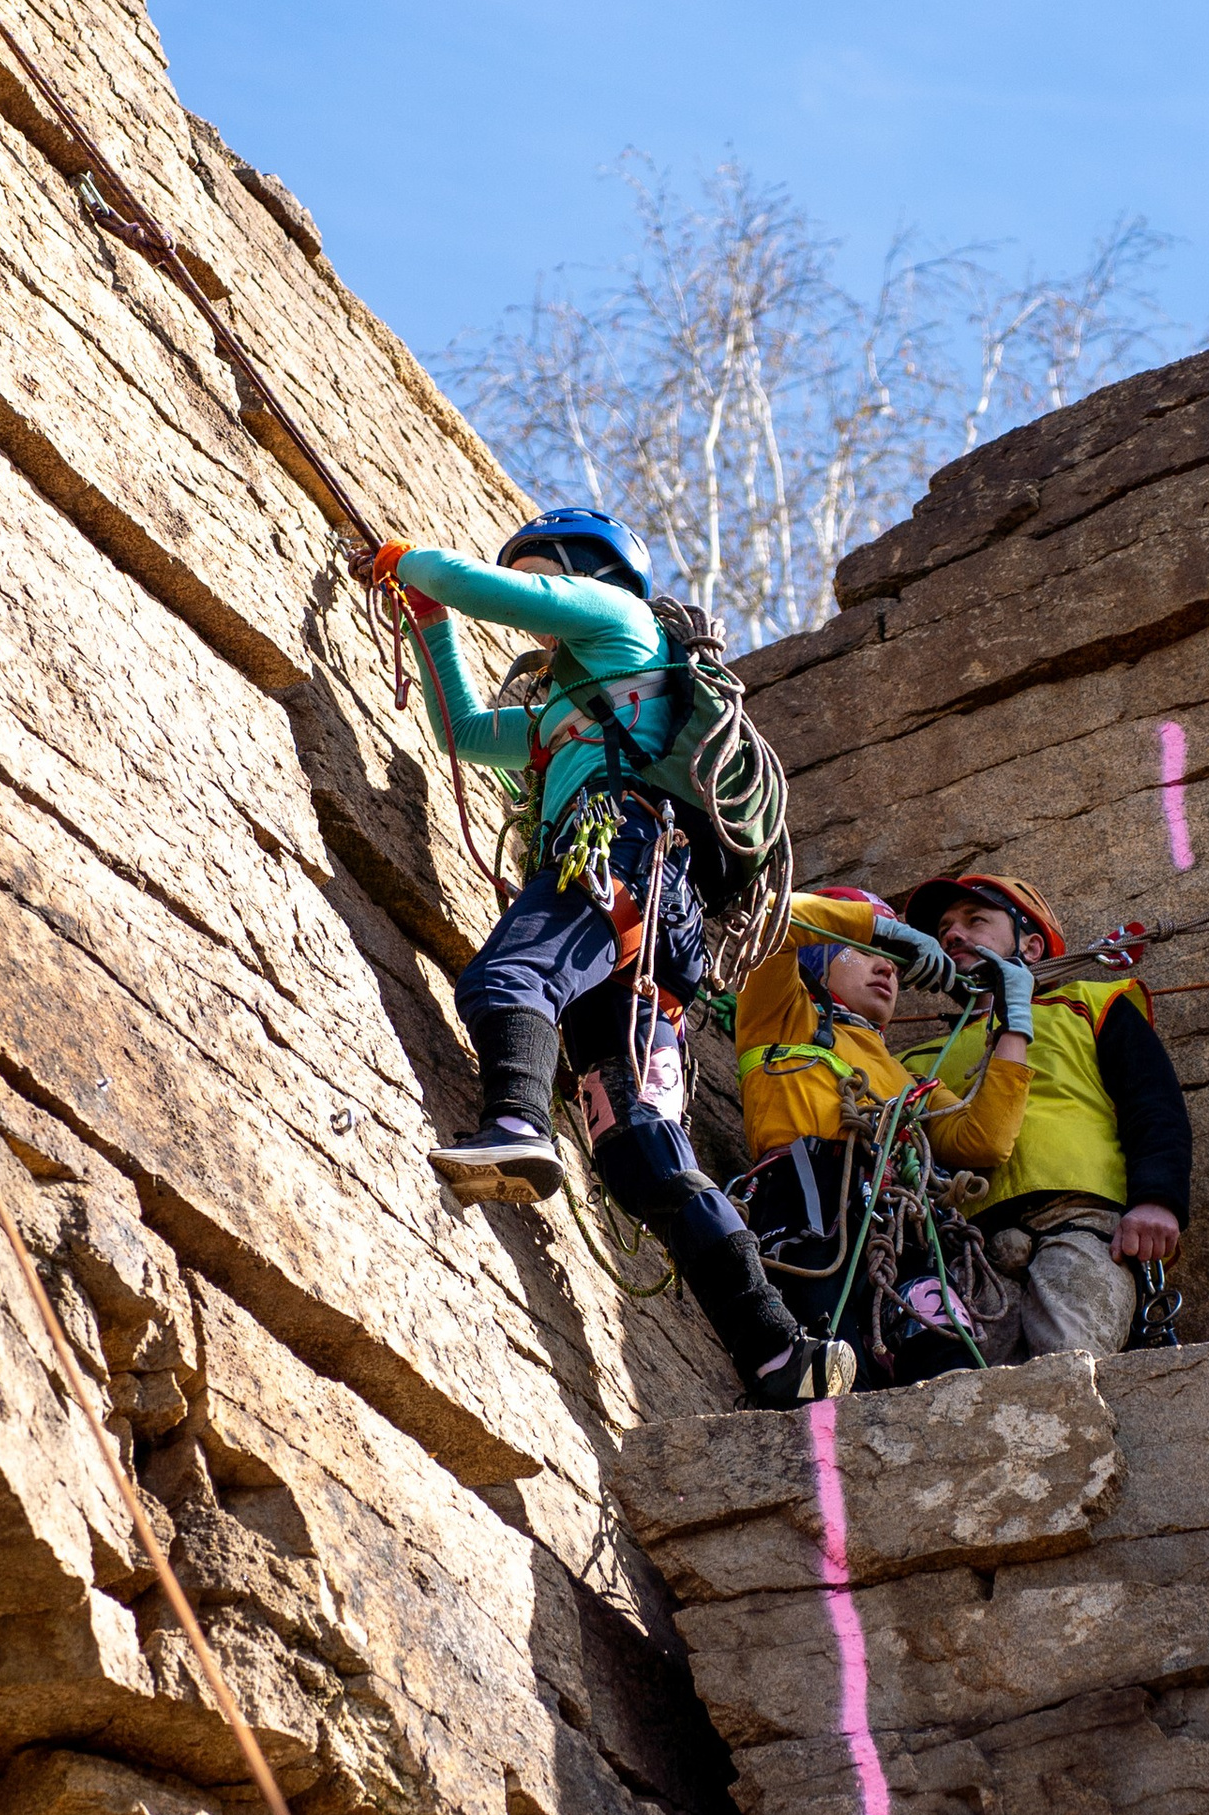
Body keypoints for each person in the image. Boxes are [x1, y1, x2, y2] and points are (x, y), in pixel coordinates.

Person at [353, 506, 849, 1407]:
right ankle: (778, 1346)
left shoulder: (622, 623)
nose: (548, 598)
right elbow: (464, 732)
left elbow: (497, 592)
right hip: (662, 929)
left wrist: (419, 565)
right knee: (638, 1147)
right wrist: (430, 625)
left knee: (511, 977)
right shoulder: (564, 709)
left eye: (551, 571)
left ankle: (515, 1125)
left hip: (621, 851)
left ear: (592, 572)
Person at [731, 884, 1032, 1390]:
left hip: (902, 1222)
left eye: (893, 959)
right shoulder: (780, 1015)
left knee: (946, 1365)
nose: (888, 966)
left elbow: (984, 1141)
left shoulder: (906, 1077)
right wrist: (883, 928)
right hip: (812, 1199)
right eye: (868, 953)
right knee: (835, 1363)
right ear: (817, 959)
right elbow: (771, 920)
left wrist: (1014, 1023)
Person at [904, 870, 1191, 1357]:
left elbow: (1153, 1105)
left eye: (976, 920)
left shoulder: (1089, 1006)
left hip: (1085, 1221)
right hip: (970, 1246)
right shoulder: (914, 1063)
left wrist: (1157, 1201)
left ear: (1032, 947)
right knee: (964, 1388)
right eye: (945, 929)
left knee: (1070, 1361)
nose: (953, 934)